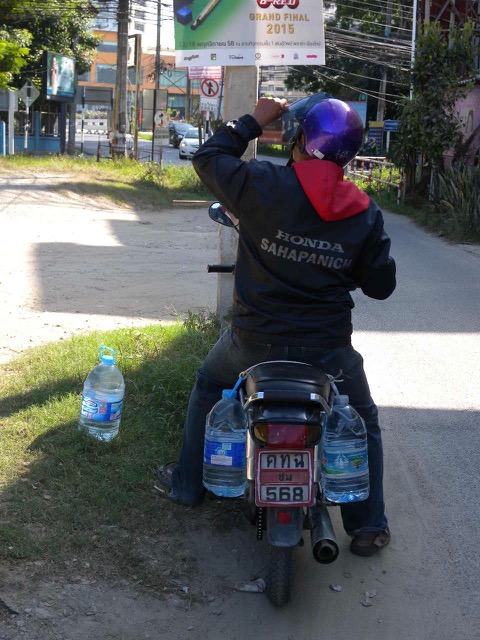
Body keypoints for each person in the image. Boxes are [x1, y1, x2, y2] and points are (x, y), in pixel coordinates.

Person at [156, 96, 396, 557]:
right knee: (362, 420)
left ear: (299, 139)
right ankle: (367, 526)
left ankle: (189, 485)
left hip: (253, 343)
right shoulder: (364, 212)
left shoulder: (260, 182)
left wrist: (254, 118)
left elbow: (207, 157)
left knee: (210, 384)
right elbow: (381, 287)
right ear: (350, 153)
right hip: (328, 352)